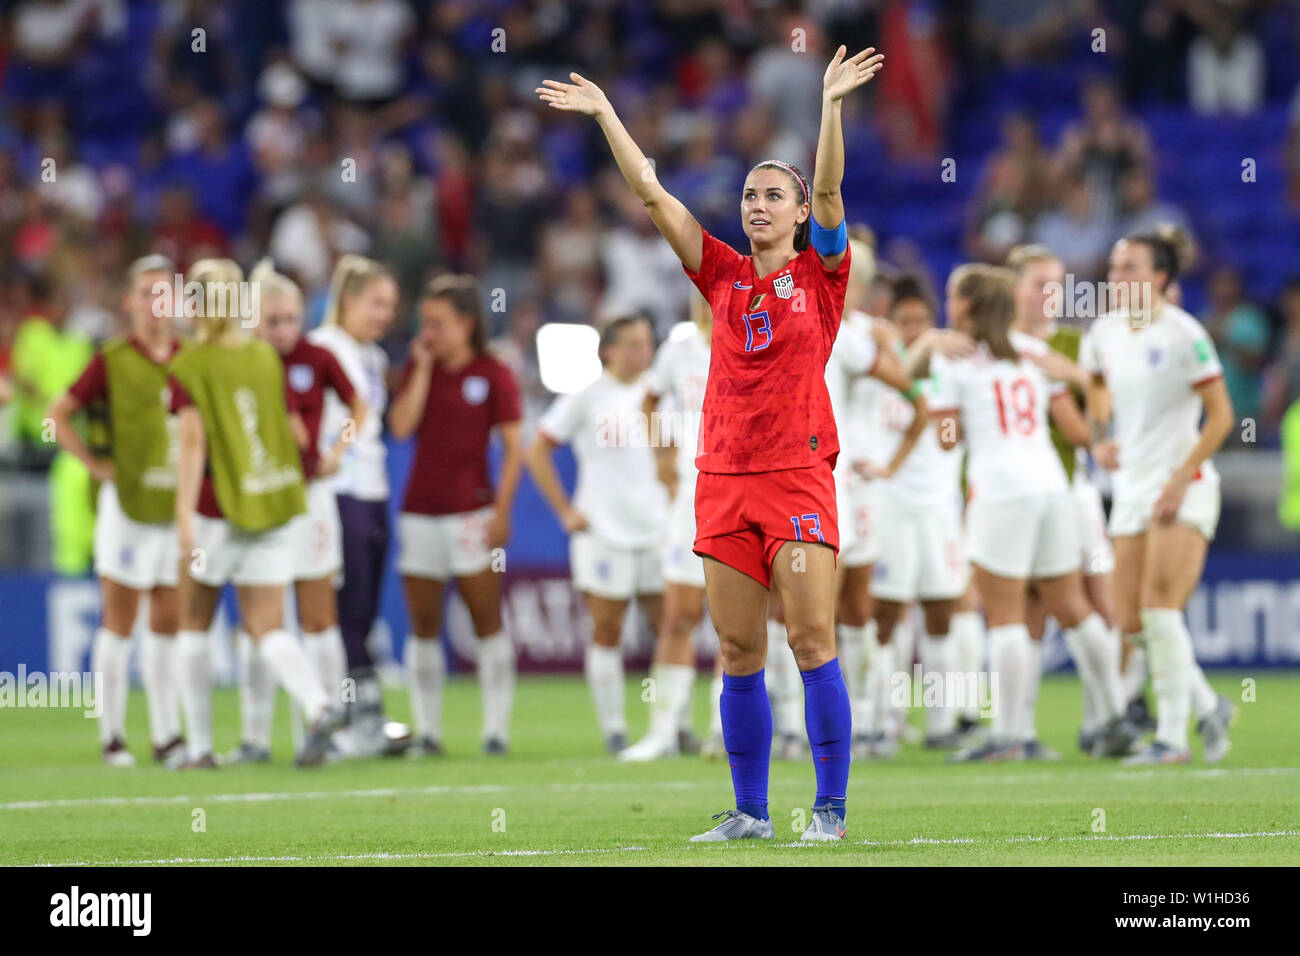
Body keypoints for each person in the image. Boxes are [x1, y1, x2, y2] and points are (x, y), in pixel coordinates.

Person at [538, 42, 885, 841]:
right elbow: (652, 195)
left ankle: (828, 811)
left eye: (774, 195)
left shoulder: (824, 276)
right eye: (749, 194)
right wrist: (606, 116)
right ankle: (751, 813)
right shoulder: (722, 276)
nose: (757, 204)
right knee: (735, 648)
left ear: (800, 214)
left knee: (811, 638)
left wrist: (830, 106)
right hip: (722, 478)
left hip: (797, 476)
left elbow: (830, 184)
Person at [931, 265, 1139, 762]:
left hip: (1001, 493)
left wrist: (939, 416)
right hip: (1052, 488)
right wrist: (1102, 440)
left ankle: (1008, 737)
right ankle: (1114, 717)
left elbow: (946, 440)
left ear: (966, 307)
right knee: (1073, 607)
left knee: (1004, 617)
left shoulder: (953, 360)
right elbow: (1071, 425)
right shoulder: (1032, 355)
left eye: (953, 297)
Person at [169, 258, 341, 768]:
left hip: (214, 509)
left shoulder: (188, 365)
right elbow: (297, 433)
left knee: (194, 624)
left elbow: (193, 443)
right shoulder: (265, 358)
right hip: (273, 505)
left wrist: (182, 521)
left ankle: (199, 748)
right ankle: (318, 703)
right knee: (267, 627)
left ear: (197, 305)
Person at [1082, 228, 1238, 764]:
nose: (1117, 277)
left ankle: (1171, 739)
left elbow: (1221, 417)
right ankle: (1207, 704)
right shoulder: (1102, 331)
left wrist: (1180, 478)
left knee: (1159, 609)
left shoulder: (1183, 334)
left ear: (1160, 277)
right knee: (1130, 622)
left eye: (1130, 268)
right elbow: (1096, 385)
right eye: (1115, 266)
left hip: (1184, 486)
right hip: (1131, 489)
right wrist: (1101, 437)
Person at [223, 259, 368, 764]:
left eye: (290, 318)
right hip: (259, 501)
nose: (284, 330)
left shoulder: (317, 356)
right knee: (257, 623)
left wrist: (338, 451)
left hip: (310, 500)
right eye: (273, 320)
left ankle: (331, 731)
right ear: (253, 321)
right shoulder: (240, 362)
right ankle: (256, 737)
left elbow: (360, 407)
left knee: (319, 618)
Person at [47, 255, 185, 766]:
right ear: (129, 302)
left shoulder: (188, 359)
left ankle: (166, 734)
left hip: (173, 509)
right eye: (147, 292)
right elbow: (57, 415)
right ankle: (112, 736)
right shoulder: (110, 359)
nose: (156, 302)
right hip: (126, 508)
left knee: (167, 623)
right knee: (120, 620)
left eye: (164, 291)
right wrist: (93, 463)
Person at [1007, 244, 1141, 756]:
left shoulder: (1073, 344)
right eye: (1039, 284)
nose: (1050, 295)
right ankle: (1022, 727)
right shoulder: (998, 342)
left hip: (1076, 493)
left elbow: (1103, 416)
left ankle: (1107, 713)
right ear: (1013, 286)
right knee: (1032, 609)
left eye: (1057, 285)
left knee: (1101, 602)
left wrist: (1088, 395)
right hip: (1023, 494)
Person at [389, 274, 524, 755]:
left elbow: (514, 447)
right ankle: (427, 732)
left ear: (466, 323)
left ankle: (496, 731)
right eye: (424, 323)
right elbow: (401, 426)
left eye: (437, 324)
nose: (427, 333)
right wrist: (422, 369)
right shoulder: (417, 367)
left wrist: (502, 510)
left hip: (472, 514)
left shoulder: (493, 372)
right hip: (419, 513)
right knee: (423, 626)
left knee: (486, 621)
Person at [528, 314, 667, 754]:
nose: (641, 352)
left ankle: (669, 724)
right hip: (603, 529)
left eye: (646, 343)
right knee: (607, 628)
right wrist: (565, 510)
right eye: (630, 344)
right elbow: (538, 448)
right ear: (607, 350)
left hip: (658, 527)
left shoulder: (663, 397)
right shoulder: (587, 397)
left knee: (670, 627)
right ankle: (614, 728)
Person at [827, 235, 929, 758]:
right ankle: (816, 720)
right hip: (819, 477)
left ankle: (867, 716)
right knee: (811, 607)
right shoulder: (814, 322)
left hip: (856, 482)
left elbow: (916, 398)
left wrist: (889, 463)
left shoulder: (864, 337)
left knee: (856, 605)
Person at [865, 277, 969, 755]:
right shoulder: (878, 370)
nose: (912, 330)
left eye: (920, 322)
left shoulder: (948, 370)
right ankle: (885, 718)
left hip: (938, 506)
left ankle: (942, 719)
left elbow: (949, 437)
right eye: (904, 322)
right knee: (886, 616)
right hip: (891, 503)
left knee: (940, 615)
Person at [310, 255, 400, 755]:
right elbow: (347, 419)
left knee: (362, 612)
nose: (386, 314)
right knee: (342, 610)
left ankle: (358, 719)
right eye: (377, 303)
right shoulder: (326, 347)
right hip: (340, 489)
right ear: (348, 301)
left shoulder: (374, 356)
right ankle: (344, 720)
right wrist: (339, 447)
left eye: (390, 305)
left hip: (373, 489)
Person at [620, 292, 713, 762]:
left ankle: (724, 729)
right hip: (691, 502)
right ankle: (663, 731)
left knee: (744, 623)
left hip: (746, 495)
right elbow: (650, 400)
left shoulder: (761, 339)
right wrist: (662, 456)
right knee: (679, 615)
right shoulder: (680, 351)